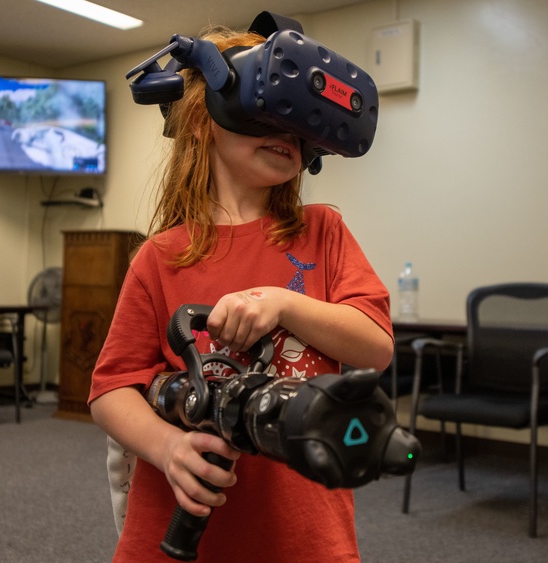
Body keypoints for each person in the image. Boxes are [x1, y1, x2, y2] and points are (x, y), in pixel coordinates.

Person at [87, 27, 394, 562]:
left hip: (303, 535)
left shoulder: (323, 232)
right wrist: (168, 447)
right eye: (269, 115)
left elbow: (375, 346)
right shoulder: (161, 256)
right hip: (184, 530)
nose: (288, 135)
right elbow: (112, 388)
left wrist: (284, 303)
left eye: (300, 127)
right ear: (206, 118)